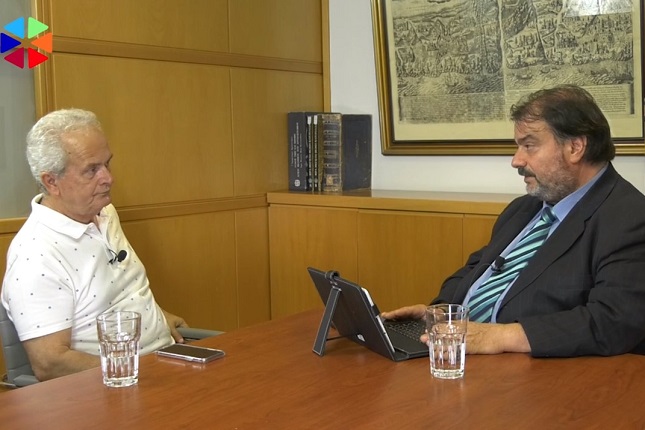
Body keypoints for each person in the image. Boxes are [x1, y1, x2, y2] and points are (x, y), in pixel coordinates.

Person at [382, 84, 645, 357]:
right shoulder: (523, 209)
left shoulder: (630, 218)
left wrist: (501, 336)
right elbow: (473, 271)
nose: (516, 161)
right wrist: (439, 315)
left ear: (575, 147)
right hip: (461, 358)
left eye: (529, 146)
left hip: (543, 372)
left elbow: (615, 320)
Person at [1, 108, 189, 381]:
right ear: (52, 182)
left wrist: (157, 318)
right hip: (113, 386)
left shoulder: (104, 212)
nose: (108, 178)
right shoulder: (35, 255)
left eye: (107, 164)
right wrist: (142, 373)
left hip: (164, 360)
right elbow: (51, 363)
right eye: (92, 170)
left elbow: (115, 292)